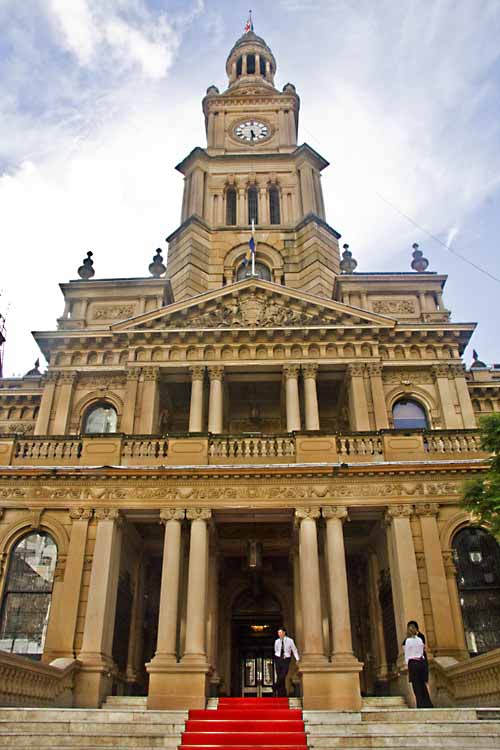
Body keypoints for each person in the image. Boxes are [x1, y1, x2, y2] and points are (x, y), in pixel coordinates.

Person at [403, 622, 433, 708]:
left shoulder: (408, 641)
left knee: (416, 686)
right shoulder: (420, 640)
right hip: (421, 662)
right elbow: (422, 651)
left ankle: (420, 704)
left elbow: (407, 654)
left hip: (413, 663)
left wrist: (407, 664)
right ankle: (428, 704)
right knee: (423, 684)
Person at [273, 627, 299, 697]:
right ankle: (282, 694)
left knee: (284, 674)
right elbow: (276, 650)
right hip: (278, 658)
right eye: (278, 633)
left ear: (284, 633)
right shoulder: (277, 641)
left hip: (286, 659)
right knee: (279, 676)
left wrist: (297, 659)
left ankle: (275, 686)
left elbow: (294, 650)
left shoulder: (290, 641)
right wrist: (278, 657)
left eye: (280, 632)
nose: (279, 634)